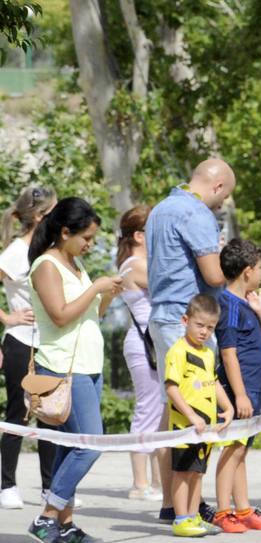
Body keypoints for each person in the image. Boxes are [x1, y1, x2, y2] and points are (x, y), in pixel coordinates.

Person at [24, 198, 122, 543]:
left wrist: (107, 294)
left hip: (88, 366)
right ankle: (46, 516)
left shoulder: (76, 266)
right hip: (65, 366)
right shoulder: (46, 266)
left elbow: (89, 314)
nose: (90, 245)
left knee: (70, 447)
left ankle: (65, 524)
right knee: (90, 444)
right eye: (86, 238)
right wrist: (96, 288)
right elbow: (61, 315)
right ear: (65, 232)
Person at [145, 158, 235, 523]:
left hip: (161, 316)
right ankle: (189, 507)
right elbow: (213, 274)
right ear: (216, 188)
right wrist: (224, 253)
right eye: (222, 199)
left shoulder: (159, 210)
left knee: (175, 414)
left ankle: (172, 503)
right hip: (190, 321)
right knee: (196, 410)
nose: (219, 206)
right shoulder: (197, 213)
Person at [212, 238, 261, 532]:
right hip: (239, 390)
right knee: (233, 448)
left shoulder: (247, 304)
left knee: (242, 449)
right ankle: (223, 511)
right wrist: (238, 394)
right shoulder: (228, 307)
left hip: (253, 386)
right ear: (247, 271)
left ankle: (243, 509)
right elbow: (228, 354)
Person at [0, 185, 58, 508]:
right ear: (38, 216)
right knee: (18, 413)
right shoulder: (14, 253)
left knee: (49, 415)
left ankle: (50, 487)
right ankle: (7, 483)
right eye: (54, 211)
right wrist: (7, 316)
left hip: (49, 344)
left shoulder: (49, 250)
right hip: (21, 342)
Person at [164, 293, 234, 538]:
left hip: (207, 430)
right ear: (185, 320)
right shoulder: (178, 352)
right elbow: (171, 387)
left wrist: (227, 407)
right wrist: (191, 416)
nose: (204, 331)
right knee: (182, 473)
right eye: (200, 325)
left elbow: (213, 382)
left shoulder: (207, 352)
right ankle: (181, 518)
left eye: (210, 327)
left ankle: (194, 516)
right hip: (186, 429)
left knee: (197, 473)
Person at [115, 204, 164, 502]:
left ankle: (158, 480)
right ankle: (140, 482)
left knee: (161, 413)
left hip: (153, 341)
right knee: (147, 409)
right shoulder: (135, 265)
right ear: (139, 235)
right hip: (143, 343)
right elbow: (166, 284)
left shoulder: (142, 261)